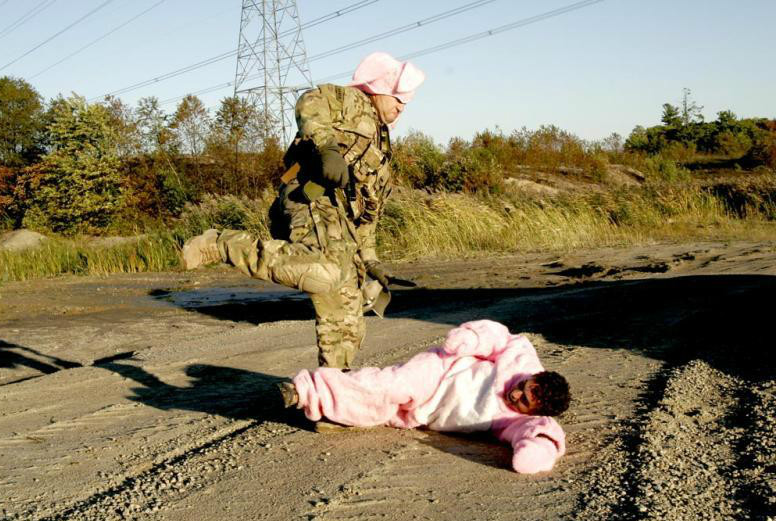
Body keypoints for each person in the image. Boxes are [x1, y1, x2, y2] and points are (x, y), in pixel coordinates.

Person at [182, 52, 426, 370]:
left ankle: (332, 390)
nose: (402, 106)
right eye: (397, 98)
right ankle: (223, 244)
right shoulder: (353, 102)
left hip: (340, 221)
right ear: (378, 89)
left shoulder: (381, 148)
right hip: (310, 198)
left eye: (406, 101)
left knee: (348, 305)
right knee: (327, 274)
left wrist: (371, 261)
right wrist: (327, 148)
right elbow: (309, 102)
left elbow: (369, 213)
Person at [278, 319, 571, 474]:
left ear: (532, 411)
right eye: (524, 386)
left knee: (377, 413)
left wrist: (538, 450)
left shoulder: (516, 422)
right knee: (390, 386)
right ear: (535, 376)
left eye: (523, 400)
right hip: (440, 371)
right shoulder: (523, 361)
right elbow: (501, 336)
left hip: (426, 415)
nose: (516, 392)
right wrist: (471, 339)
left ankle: (339, 387)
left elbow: (543, 433)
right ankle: (305, 391)